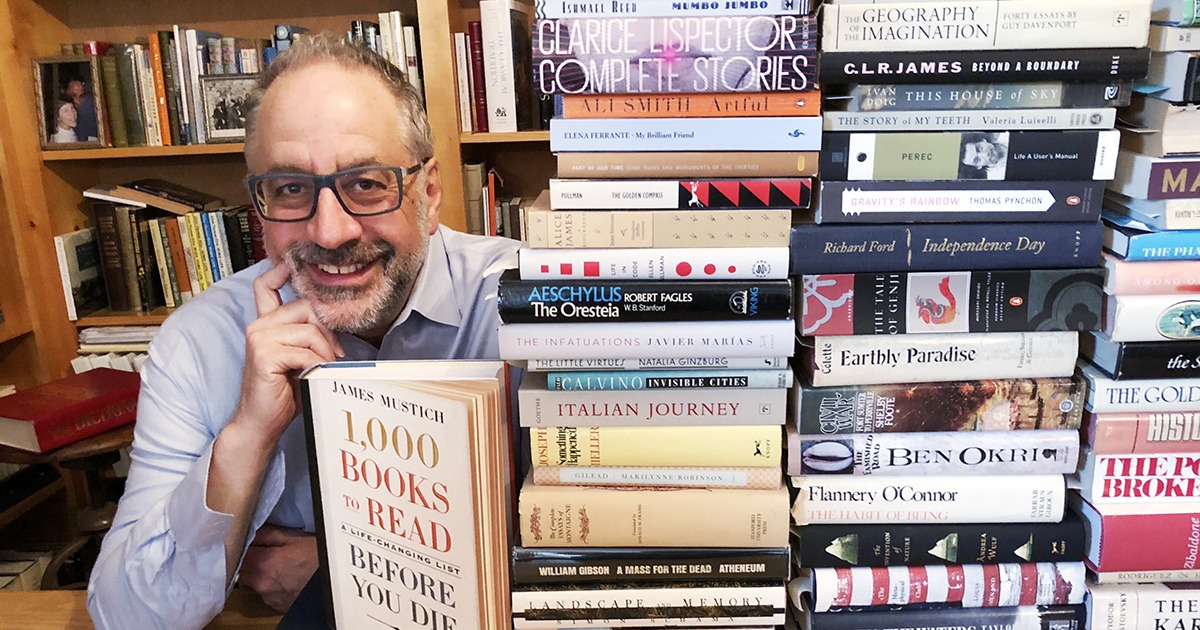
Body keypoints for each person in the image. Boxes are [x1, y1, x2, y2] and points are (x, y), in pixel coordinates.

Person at [86, 32, 519, 630]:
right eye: (291, 189)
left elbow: (633, 548)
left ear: (431, 191)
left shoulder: (535, 306)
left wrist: (347, 574)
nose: (332, 231)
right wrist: (247, 436)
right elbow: (128, 617)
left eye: (367, 183)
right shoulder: (197, 342)